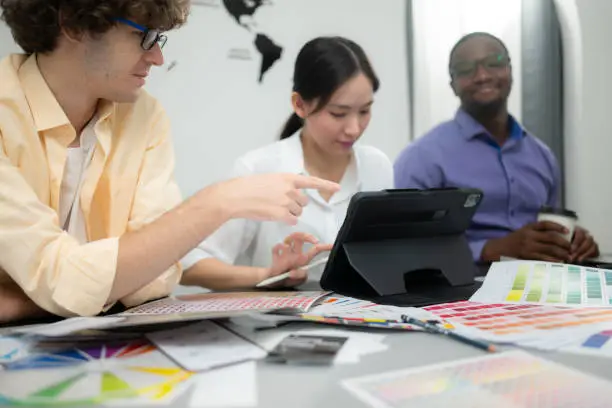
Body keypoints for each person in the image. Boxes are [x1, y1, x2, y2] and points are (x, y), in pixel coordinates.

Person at [0, 0, 339, 324]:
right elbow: (78, 281)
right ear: (74, 23)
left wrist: (23, 300)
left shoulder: (144, 116)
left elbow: (158, 277)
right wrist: (216, 203)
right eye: (144, 36)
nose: (158, 57)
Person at [180, 36, 394, 290]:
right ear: (299, 105)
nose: (354, 128)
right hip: (272, 324)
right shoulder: (257, 169)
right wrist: (266, 275)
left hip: (360, 320)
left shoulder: (377, 167)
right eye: (338, 113)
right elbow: (188, 265)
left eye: (365, 111)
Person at [393, 32, 599, 264]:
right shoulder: (422, 157)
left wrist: (570, 241)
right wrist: (492, 250)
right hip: (465, 289)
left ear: (510, 71)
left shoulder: (542, 155)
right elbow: (408, 246)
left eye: (494, 63)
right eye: (465, 69)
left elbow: (549, 230)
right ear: (453, 85)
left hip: (540, 282)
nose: (482, 75)